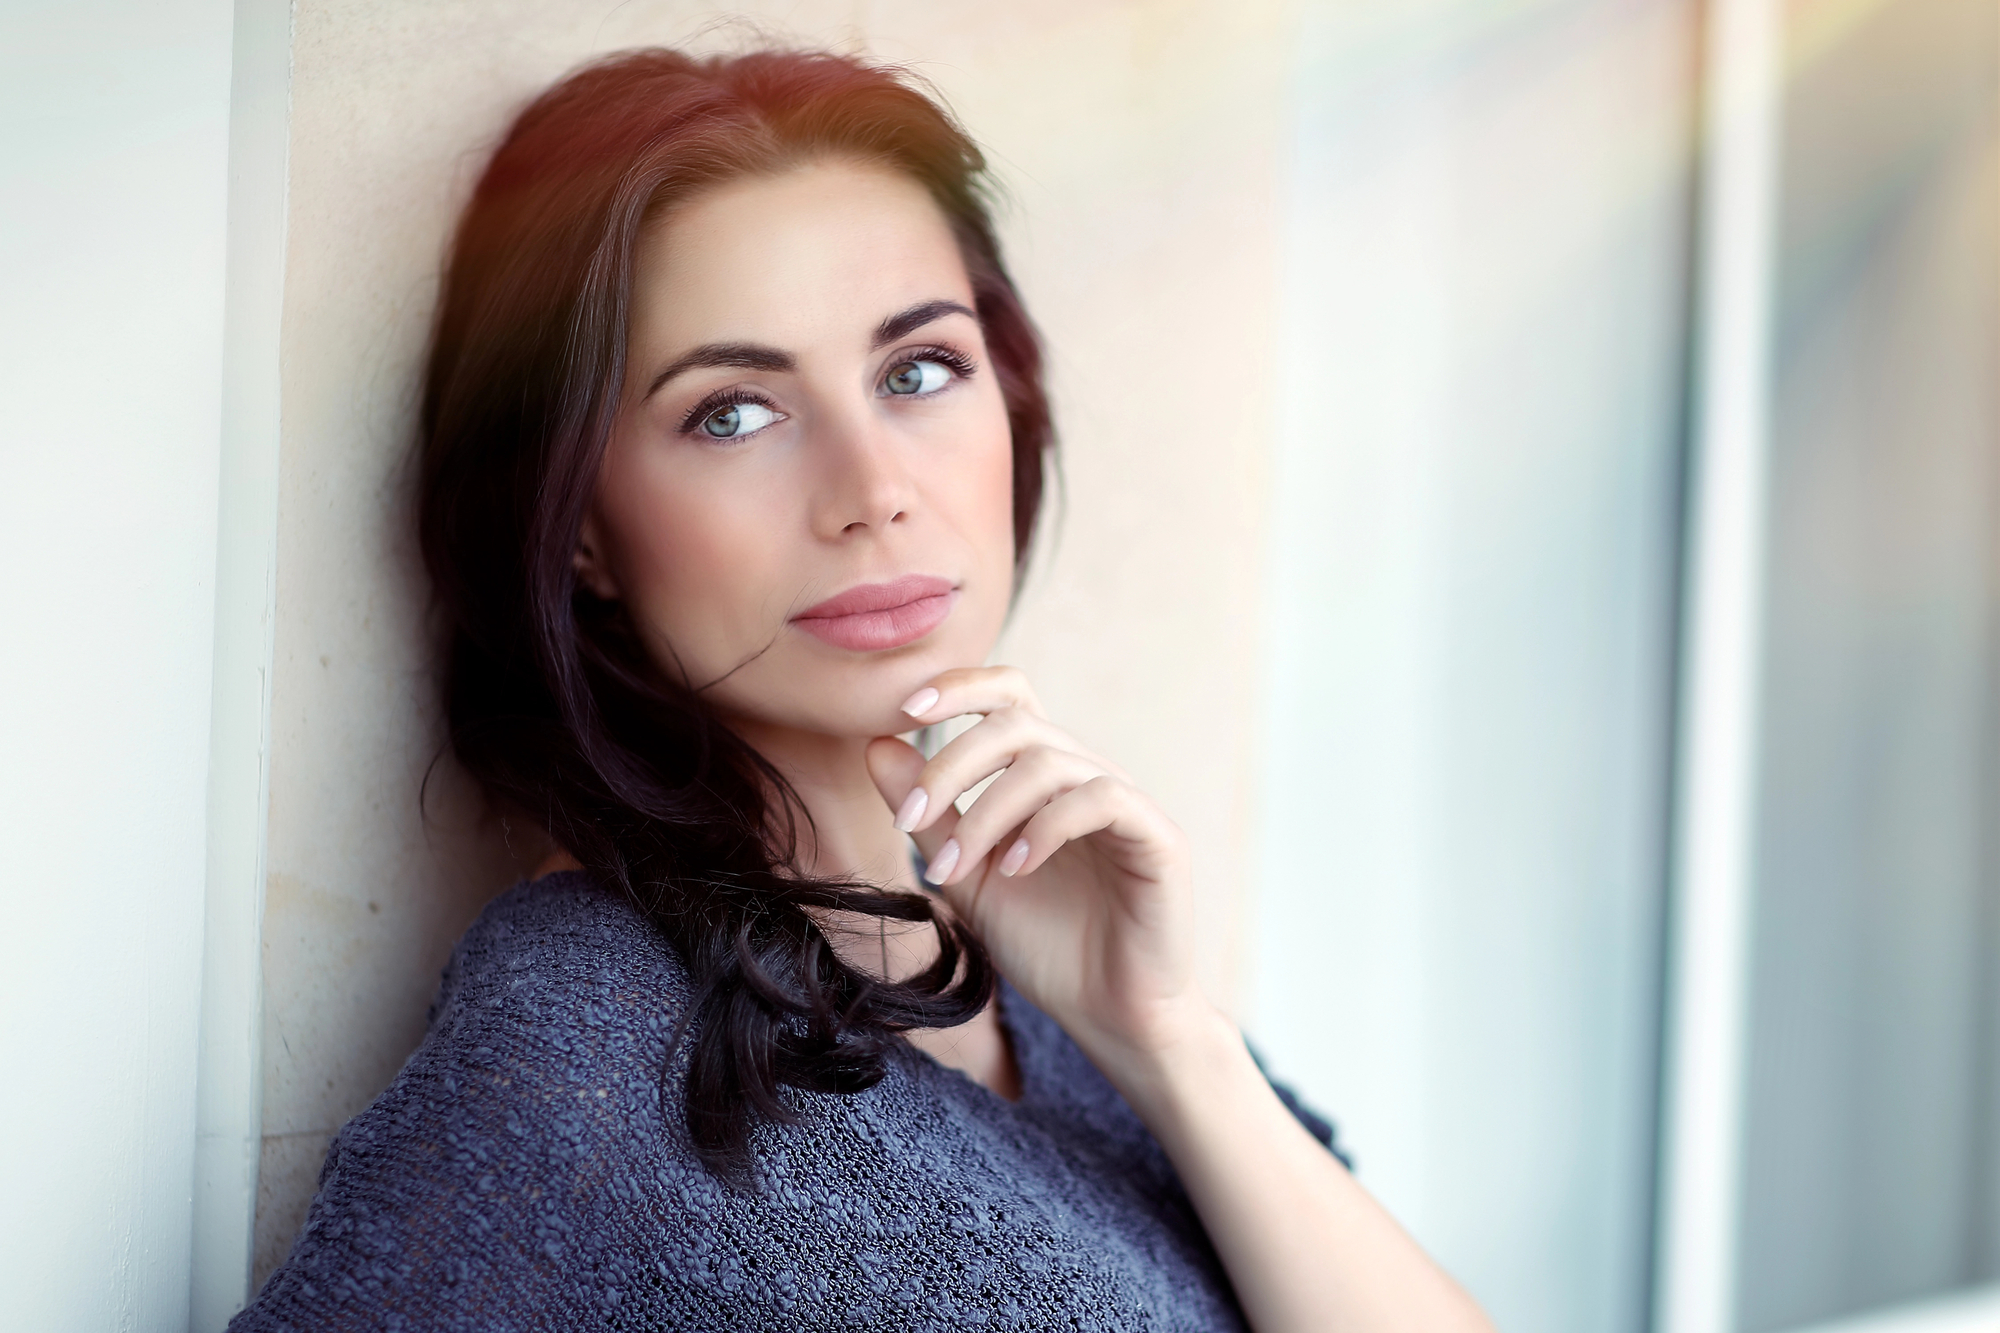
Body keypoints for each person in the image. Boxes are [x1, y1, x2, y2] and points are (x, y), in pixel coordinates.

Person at [235, 46, 1495, 1333]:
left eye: (917, 371)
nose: (872, 488)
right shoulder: (593, 1025)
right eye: (732, 412)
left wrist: (1167, 1040)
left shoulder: (1064, 990)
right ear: (579, 527)